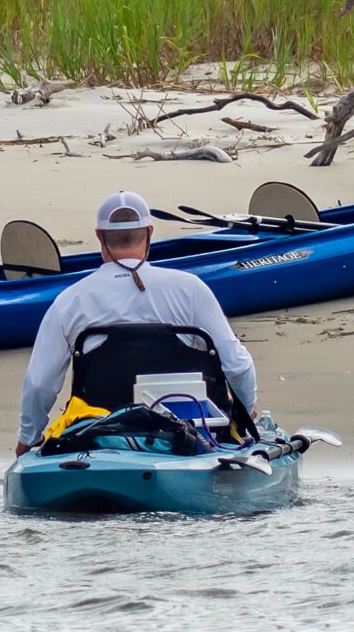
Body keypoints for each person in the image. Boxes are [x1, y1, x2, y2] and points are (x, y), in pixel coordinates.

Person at [14, 190, 258, 453]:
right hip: (188, 433)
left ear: (99, 236)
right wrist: (246, 410)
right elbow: (237, 366)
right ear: (149, 233)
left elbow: (39, 383)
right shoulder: (191, 290)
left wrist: (29, 438)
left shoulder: (70, 300)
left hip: (99, 431)